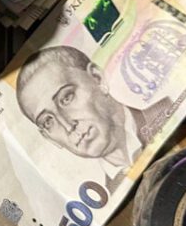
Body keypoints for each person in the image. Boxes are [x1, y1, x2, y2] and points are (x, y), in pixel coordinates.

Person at [16, 45, 172, 172]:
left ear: (97, 78)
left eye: (67, 97)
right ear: (49, 138)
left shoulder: (172, 111)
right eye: (48, 121)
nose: (68, 126)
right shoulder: (111, 197)